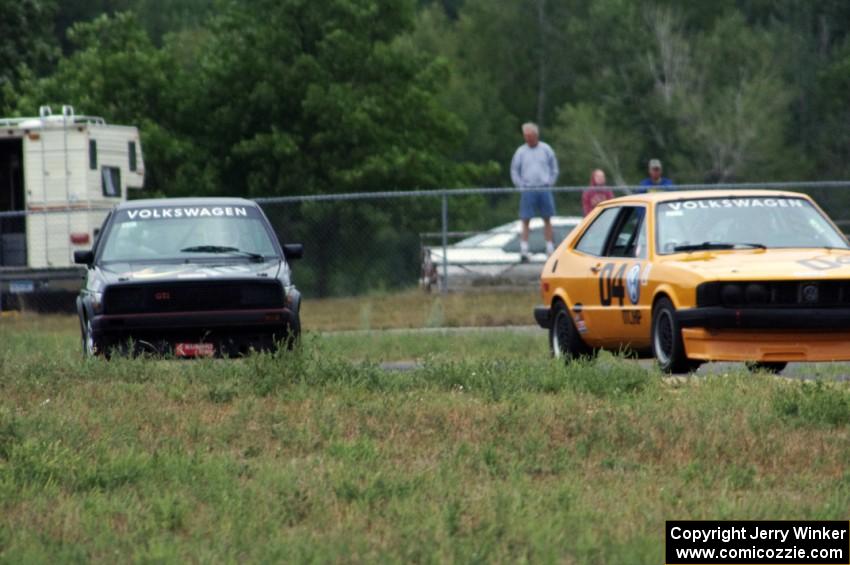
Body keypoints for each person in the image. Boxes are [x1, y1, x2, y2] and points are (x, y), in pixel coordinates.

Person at [510, 122, 559, 262]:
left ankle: (550, 248)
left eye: (530, 136)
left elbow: (554, 168)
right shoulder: (520, 151)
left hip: (544, 188)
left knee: (547, 218)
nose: (528, 139)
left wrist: (550, 182)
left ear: (536, 135)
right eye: (525, 136)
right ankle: (524, 249)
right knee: (525, 219)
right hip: (528, 189)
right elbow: (514, 170)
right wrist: (520, 185)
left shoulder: (546, 149)